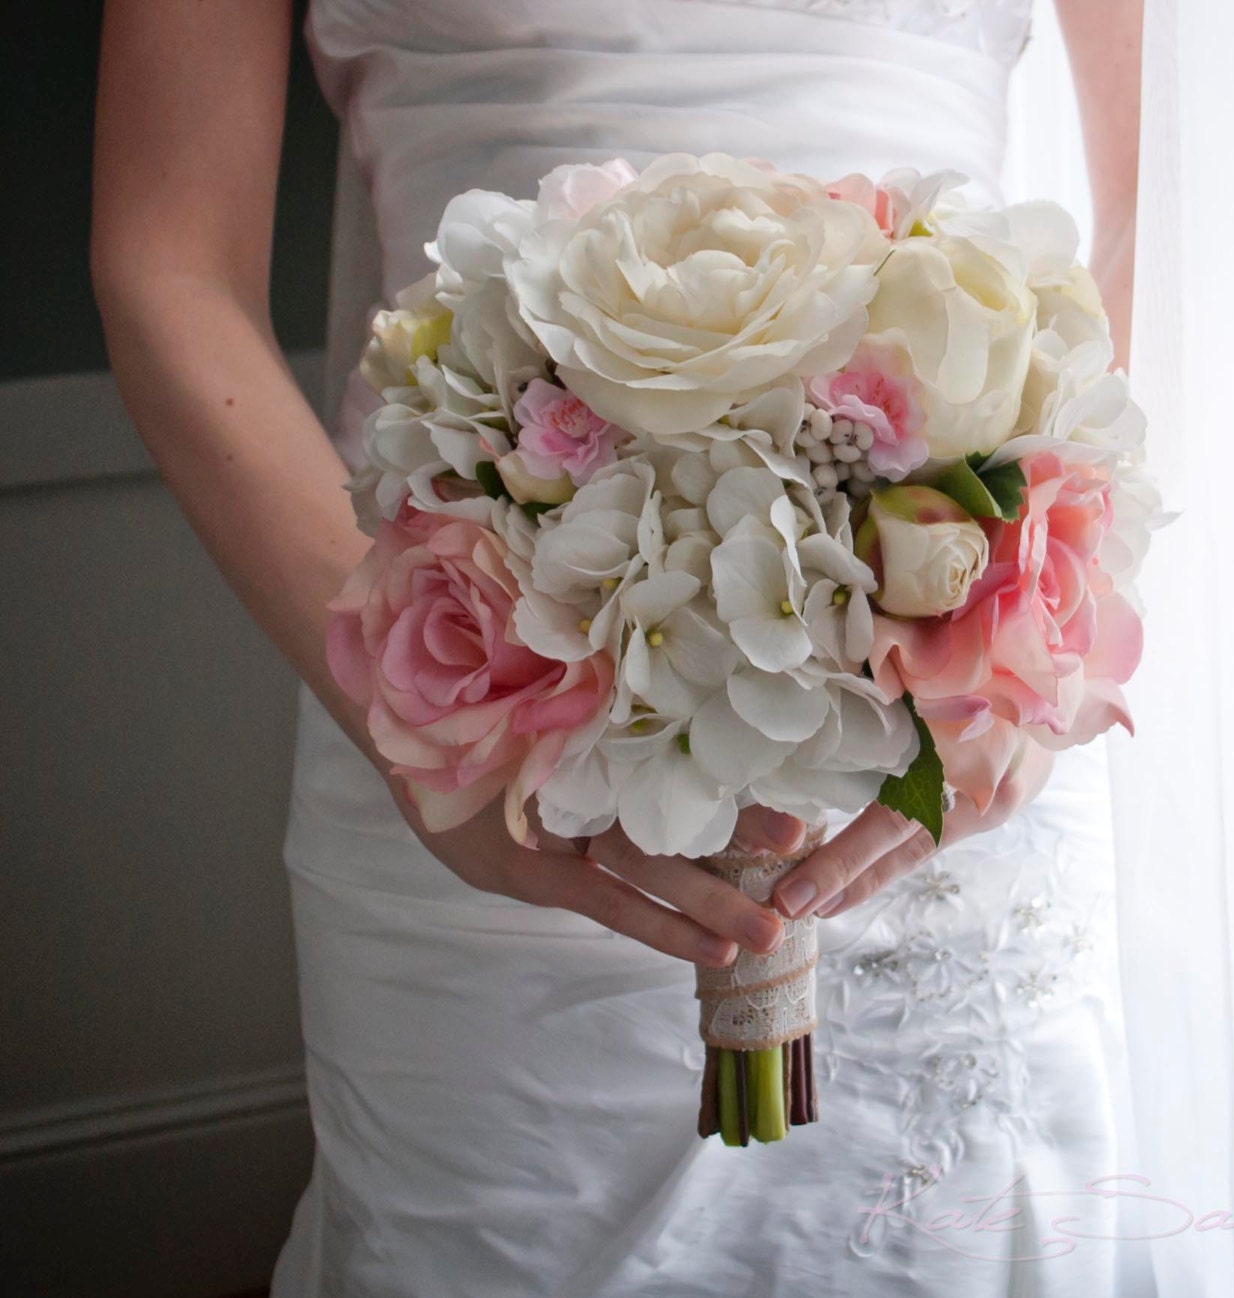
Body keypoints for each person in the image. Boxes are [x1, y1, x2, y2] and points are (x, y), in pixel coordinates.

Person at [91, 0, 1143, 1291]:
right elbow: (167, 259)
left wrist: (1044, 637)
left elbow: (1154, 208)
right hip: (484, 742)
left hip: (958, 716)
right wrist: (420, 709)